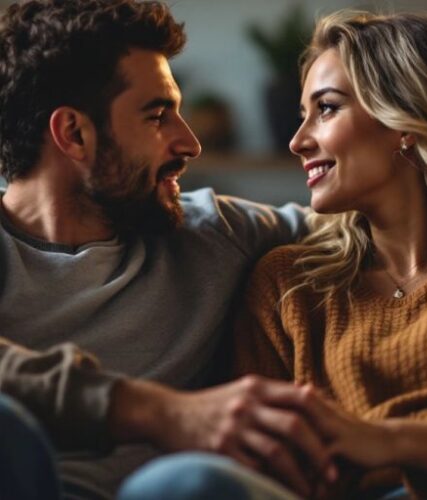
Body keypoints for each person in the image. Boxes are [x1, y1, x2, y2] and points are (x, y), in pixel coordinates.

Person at [0, 0, 335, 499]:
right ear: (73, 133)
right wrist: (161, 413)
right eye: (158, 116)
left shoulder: (216, 234)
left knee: (187, 483)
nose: (190, 143)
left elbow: (383, 227)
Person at [234, 10, 427, 500]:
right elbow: (251, 455)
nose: (297, 141)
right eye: (301, 115)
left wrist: (384, 441)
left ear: (404, 121)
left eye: (326, 109)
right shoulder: (290, 286)